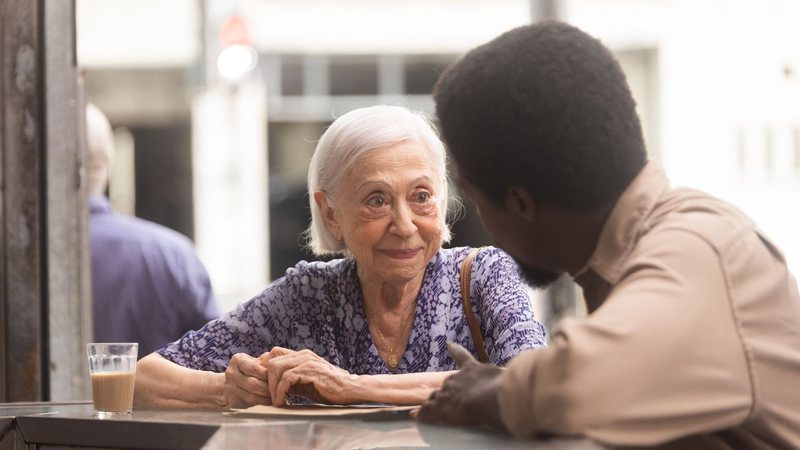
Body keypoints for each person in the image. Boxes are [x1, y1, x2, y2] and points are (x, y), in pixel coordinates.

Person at [416, 20, 800, 449]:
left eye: (474, 197)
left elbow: (579, 386)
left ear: (521, 202)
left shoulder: (700, 245)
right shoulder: (631, 255)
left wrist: (489, 394)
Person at [133, 105, 547, 409]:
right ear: (331, 213)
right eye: (377, 200)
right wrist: (226, 390)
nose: (404, 225)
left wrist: (348, 387)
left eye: (421, 197)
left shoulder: (484, 276)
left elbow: (534, 384)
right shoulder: (308, 295)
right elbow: (141, 379)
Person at [86, 103, 222, 357]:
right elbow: (216, 362)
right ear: (107, 162)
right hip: (146, 399)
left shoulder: (19, 255)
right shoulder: (175, 255)